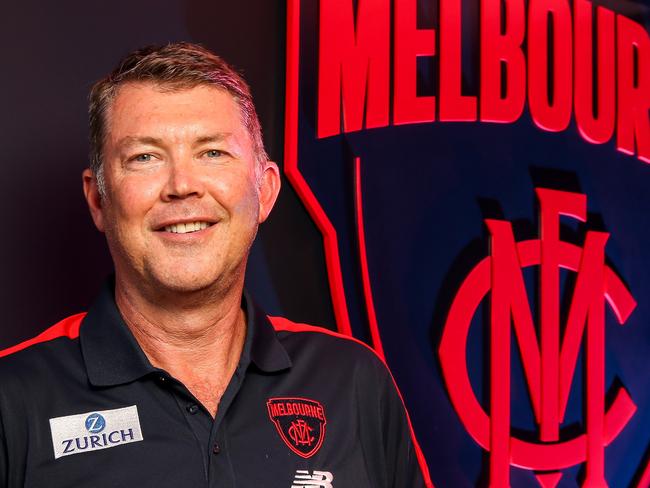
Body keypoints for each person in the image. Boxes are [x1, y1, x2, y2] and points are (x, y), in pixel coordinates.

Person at [0, 43, 430, 487]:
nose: (182, 186)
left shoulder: (351, 379)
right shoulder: (15, 398)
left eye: (212, 153)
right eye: (145, 157)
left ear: (264, 191)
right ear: (98, 200)